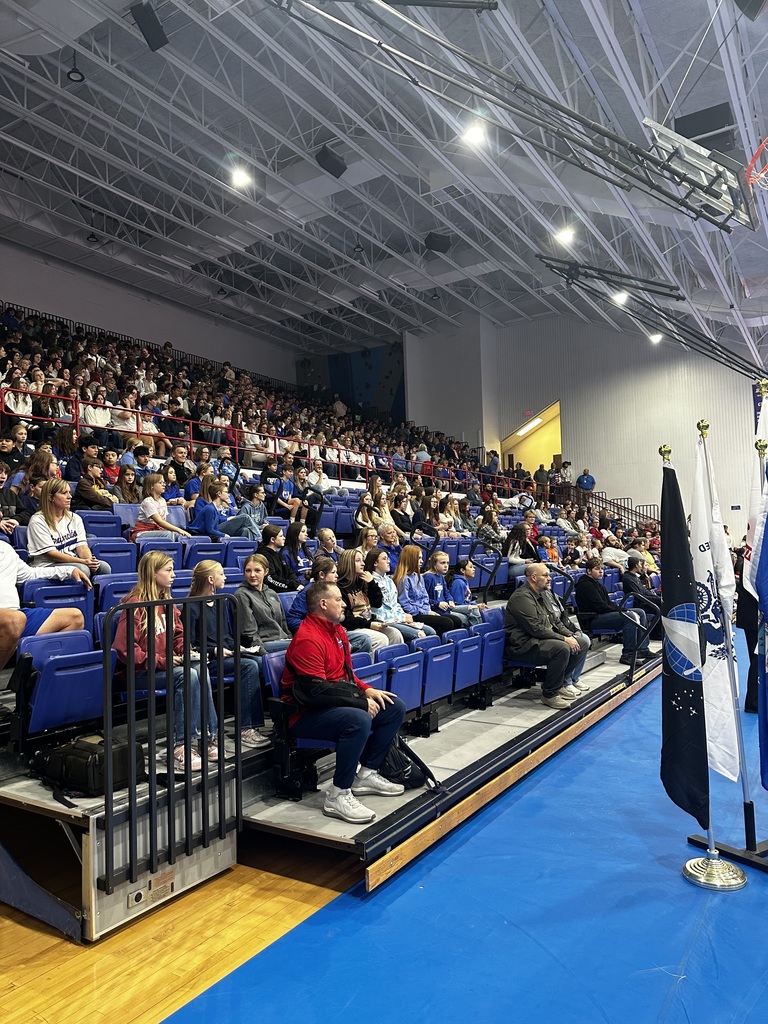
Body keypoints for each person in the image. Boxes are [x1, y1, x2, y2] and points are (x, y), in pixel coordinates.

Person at [281, 581, 406, 824]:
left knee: (393, 707)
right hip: (302, 713)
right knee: (358, 718)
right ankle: (338, 794)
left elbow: (347, 675)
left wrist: (367, 690)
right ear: (323, 604)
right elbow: (316, 691)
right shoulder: (308, 638)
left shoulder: (337, 630)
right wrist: (359, 701)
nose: (344, 603)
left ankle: (367, 773)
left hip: (330, 702)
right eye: (338, 599)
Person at [114, 551, 218, 772]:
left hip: (163, 666)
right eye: (168, 570)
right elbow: (124, 650)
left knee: (200, 667)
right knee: (187, 674)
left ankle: (208, 737)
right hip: (139, 673)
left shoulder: (167, 601)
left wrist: (184, 651)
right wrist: (164, 661)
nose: (173, 575)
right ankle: (181, 746)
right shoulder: (134, 604)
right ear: (153, 573)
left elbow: (178, 635)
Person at [186, 560, 271, 750]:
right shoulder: (191, 606)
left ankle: (266, 720)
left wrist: (239, 647)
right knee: (250, 666)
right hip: (208, 661)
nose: (225, 578)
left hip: (225, 655)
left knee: (260, 660)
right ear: (210, 579)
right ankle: (246, 728)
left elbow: (226, 636)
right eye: (221, 574)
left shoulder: (220, 602)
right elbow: (189, 646)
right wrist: (214, 651)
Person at [504, 564, 590, 710]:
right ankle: (549, 694)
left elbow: (556, 622)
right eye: (545, 575)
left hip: (541, 640)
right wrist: (564, 639)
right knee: (561, 647)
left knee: (581, 643)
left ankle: (560, 683)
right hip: (524, 645)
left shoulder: (543, 594)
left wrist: (570, 635)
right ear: (533, 577)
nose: (549, 579)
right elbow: (536, 629)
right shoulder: (521, 597)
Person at [0, 542, 90, 669]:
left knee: (75, 618)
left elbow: (31, 574)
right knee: (15, 620)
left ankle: (37, 681)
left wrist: (69, 570)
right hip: (12, 618)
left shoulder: (5, 549)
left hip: (16, 615)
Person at [285, 557, 373, 654]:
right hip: (318, 635)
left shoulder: (334, 589)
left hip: (335, 631)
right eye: (333, 572)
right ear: (322, 574)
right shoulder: (307, 593)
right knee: (346, 646)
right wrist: (316, 628)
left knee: (364, 640)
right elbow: (292, 620)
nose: (337, 575)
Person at [574, 558, 652, 666]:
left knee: (640, 612)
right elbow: (601, 607)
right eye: (597, 569)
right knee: (629, 617)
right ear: (588, 571)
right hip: (593, 618)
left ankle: (642, 649)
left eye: (602, 569)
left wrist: (624, 609)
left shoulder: (598, 584)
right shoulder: (585, 586)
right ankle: (628, 655)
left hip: (602, 614)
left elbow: (609, 604)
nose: (601, 571)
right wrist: (624, 611)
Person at [27, 478, 112, 576]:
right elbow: (51, 554)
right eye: (64, 493)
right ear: (50, 497)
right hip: (47, 564)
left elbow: (82, 547)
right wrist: (83, 562)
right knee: (82, 569)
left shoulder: (75, 518)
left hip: (73, 561)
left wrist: (89, 560)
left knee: (103, 567)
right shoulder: (37, 521)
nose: (70, 496)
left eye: (69, 492)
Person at [365, 547, 436, 643]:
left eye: (388, 558)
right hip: (384, 620)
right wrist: (401, 618)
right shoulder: (370, 581)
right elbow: (378, 609)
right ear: (375, 563)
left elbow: (395, 604)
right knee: (420, 634)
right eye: (385, 559)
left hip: (397, 618)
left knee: (431, 632)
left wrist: (403, 616)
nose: (389, 561)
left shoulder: (389, 580)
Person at [337, 548, 402, 650]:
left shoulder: (362, 581)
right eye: (358, 561)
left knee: (395, 634)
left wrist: (372, 583)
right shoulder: (340, 587)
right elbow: (346, 618)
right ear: (348, 563)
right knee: (381, 639)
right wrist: (369, 624)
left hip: (367, 623)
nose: (363, 564)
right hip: (354, 627)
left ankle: (391, 665)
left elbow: (377, 603)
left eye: (362, 560)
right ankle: (374, 666)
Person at [392, 544, 463, 636]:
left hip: (425, 611)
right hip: (414, 614)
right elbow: (405, 604)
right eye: (419, 558)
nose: (422, 561)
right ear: (411, 559)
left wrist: (428, 610)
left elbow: (425, 597)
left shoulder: (418, 577)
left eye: (421, 558)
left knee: (456, 621)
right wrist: (426, 612)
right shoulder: (403, 579)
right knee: (447, 623)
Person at [234, 553, 293, 656]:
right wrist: (264, 655)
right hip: (263, 644)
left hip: (282, 640)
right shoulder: (241, 595)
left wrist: (289, 638)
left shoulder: (272, 593)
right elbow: (248, 632)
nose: (252, 575)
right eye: (248, 571)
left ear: (266, 571)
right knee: (305, 643)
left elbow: (283, 623)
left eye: (257, 570)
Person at [129, 473, 191, 541]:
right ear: (151, 486)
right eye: (160, 482)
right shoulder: (148, 502)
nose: (164, 485)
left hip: (157, 530)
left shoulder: (163, 500)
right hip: (143, 532)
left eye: (164, 482)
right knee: (168, 535)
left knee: (179, 536)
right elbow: (159, 521)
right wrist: (179, 530)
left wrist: (179, 532)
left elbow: (163, 520)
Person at [257, 523, 302, 591]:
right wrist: (292, 585)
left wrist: (296, 583)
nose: (284, 538)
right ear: (272, 539)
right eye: (281, 536)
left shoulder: (277, 554)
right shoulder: (262, 555)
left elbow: (289, 572)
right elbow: (270, 579)